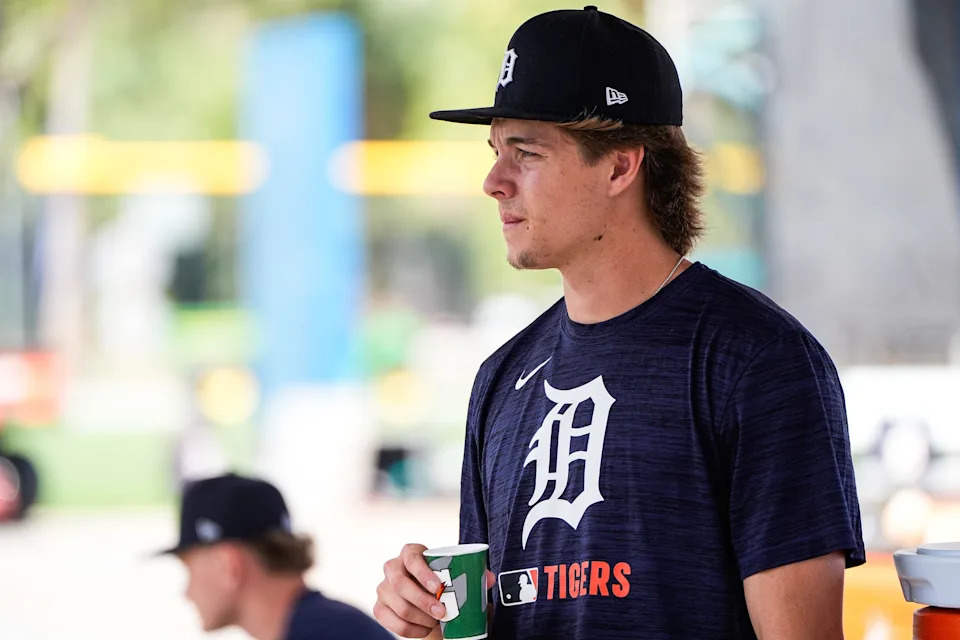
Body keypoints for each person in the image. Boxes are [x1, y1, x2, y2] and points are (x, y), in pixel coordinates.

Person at [374, 6, 864, 640]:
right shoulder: (500, 379)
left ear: (620, 166)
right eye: (495, 151)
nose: (494, 181)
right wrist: (426, 620)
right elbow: (499, 621)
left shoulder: (757, 360)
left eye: (525, 152)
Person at [159, 473, 392, 640]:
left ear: (227, 566)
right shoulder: (329, 624)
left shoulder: (321, 632)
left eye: (189, 570)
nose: (186, 593)